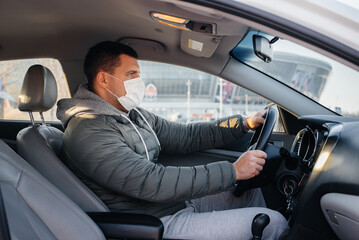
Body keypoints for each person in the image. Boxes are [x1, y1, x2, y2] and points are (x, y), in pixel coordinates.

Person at [57, 41, 288, 239]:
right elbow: (150, 181)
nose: (139, 81)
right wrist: (233, 171)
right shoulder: (87, 132)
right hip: (154, 223)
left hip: (173, 203)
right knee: (273, 222)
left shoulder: (133, 115)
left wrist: (242, 124)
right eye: (131, 74)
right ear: (103, 80)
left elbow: (187, 136)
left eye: (138, 74)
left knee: (249, 193)